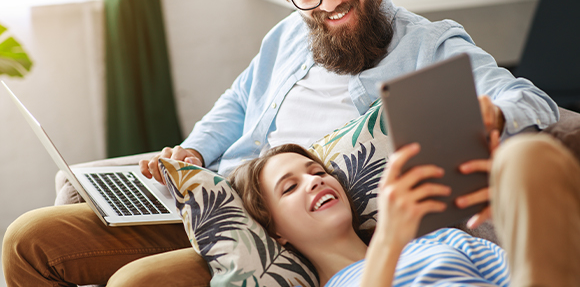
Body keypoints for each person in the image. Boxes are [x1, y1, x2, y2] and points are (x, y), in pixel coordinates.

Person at [1, 0, 560, 286]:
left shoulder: (431, 45)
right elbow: (237, 102)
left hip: (293, 229)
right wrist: (194, 153)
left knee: (136, 284)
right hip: (222, 194)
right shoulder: (293, 31)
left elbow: (529, 99)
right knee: (29, 238)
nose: (327, 5)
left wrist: (493, 113)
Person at [230, 137, 580, 287]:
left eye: (318, 172)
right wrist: (389, 241)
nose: (314, 182)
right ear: (276, 231)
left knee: (528, 155)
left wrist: (513, 211)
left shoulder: (443, 238)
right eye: (289, 187)